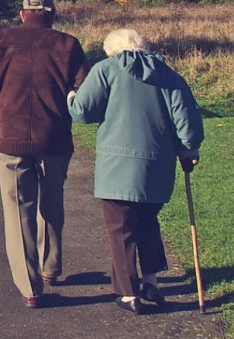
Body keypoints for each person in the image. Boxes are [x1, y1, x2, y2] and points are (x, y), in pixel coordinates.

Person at [67, 28, 203, 314]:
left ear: (113, 51)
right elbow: (186, 121)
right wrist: (189, 149)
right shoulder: (169, 75)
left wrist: (70, 96)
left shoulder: (106, 70)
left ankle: (128, 293)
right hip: (157, 166)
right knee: (147, 221)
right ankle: (151, 281)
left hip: (116, 167)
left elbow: (82, 112)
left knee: (121, 228)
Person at [0, 0, 87, 308]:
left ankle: (30, 287)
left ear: (23, 14)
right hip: (55, 139)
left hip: (10, 139)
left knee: (18, 210)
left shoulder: (1, 41)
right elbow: (83, 90)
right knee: (52, 203)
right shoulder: (68, 44)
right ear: (52, 15)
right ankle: (50, 268)